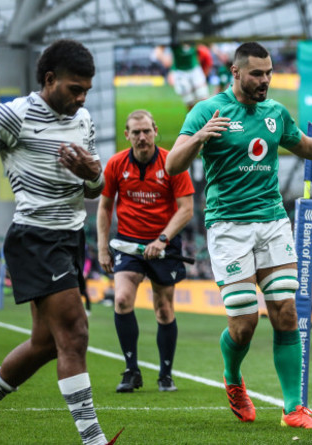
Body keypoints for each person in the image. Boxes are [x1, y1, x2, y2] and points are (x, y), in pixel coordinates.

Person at [165, 41, 312, 429]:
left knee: (285, 312)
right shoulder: (207, 110)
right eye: (257, 73)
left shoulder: (275, 113)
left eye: (268, 73)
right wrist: (201, 137)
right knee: (244, 323)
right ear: (236, 73)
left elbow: (304, 145)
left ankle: (292, 409)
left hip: (271, 222)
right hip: (228, 227)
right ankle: (233, 379)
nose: (265, 80)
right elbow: (171, 164)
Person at [0, 39, 120, 445]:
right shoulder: (13, 116)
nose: (81, 99)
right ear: (49, 79)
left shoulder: (84, 121)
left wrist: (89, 172)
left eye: (86, 91)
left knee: (46, 344)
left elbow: (95, 188)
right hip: (35, 236)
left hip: (68, 237)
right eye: (74, 89)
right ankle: (93, 440)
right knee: (76, 333)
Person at [97, 109, 194, 393]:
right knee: (123, 300)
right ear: (127, 135)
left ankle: (165, 375)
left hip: (164, 243)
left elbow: (187, 209)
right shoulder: (115, 164)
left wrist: (162, 239)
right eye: (136, 132)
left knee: (164, 311)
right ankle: (131, 371)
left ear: (155, 131)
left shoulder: (172, 163)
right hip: (128, 243)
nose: (142, 137)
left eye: (146, 131)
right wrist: (103, 248)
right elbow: (104, 207)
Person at [153, 43, 209, 110]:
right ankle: (193, 119)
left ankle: (207, 119)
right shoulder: (174, 37)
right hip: (181, 73)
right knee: (189, 102)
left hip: (195, 70)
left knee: (203, 98)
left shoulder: (192, 36)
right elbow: (159, 50)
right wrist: (166, 60)